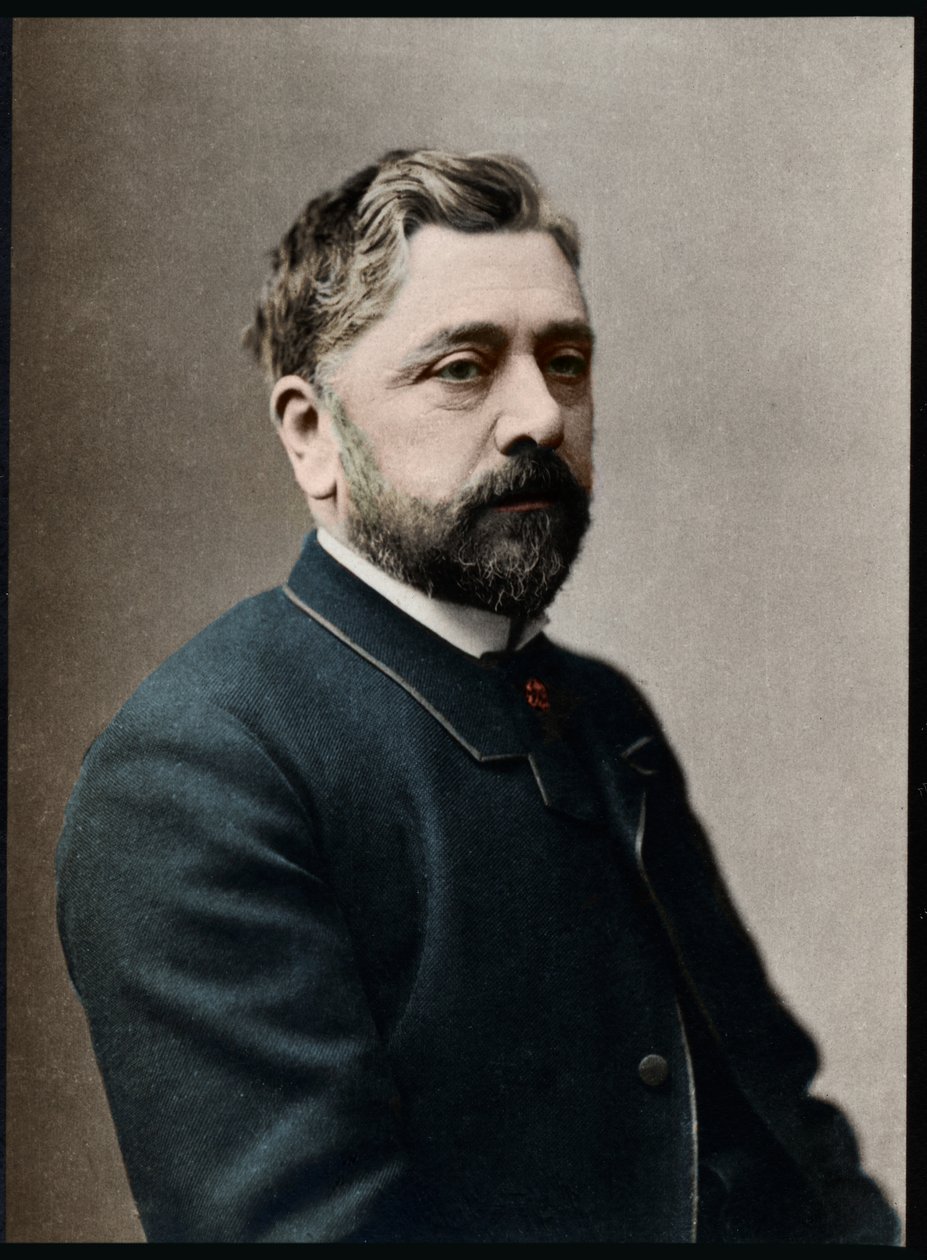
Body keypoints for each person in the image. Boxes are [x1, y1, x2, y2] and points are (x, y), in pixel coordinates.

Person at [55, 149, 899, 1245]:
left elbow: (790, 1134)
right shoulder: (199, 771)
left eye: (567, 361)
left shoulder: (604, 713)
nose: (541, 416)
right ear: (312, 435)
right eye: (463, 368)